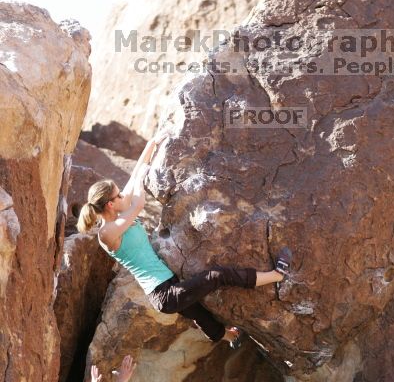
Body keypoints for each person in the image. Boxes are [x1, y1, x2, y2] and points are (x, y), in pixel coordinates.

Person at [76, 131, 291, 347]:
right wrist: (142, 177)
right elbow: (138, 202)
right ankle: (276, 275)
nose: (123, 195)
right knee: (217, 276)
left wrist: (152, 143)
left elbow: (133, 178)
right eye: (119, 195)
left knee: (198, 313)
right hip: (163, 294)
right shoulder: (106, 234)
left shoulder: (119, 213)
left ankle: (229, 337)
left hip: (169, 281)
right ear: (110, 205)